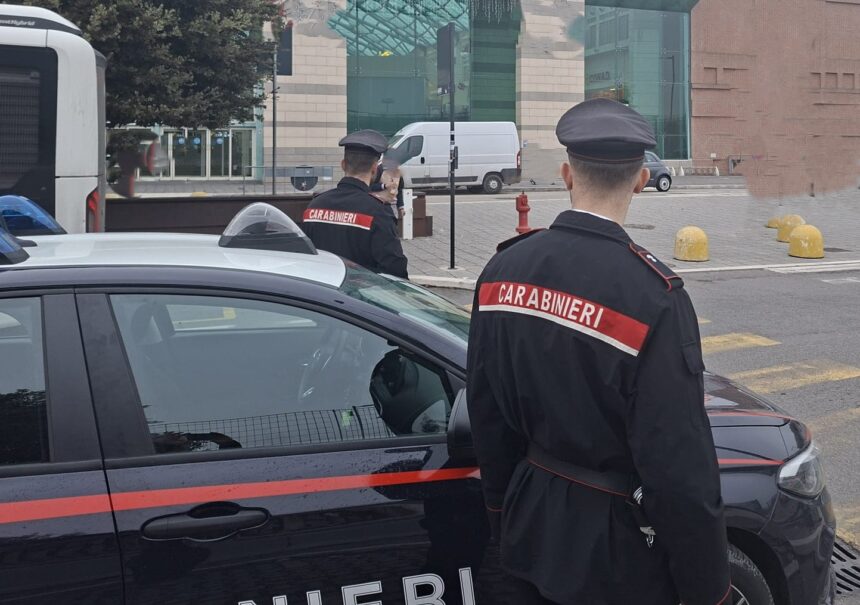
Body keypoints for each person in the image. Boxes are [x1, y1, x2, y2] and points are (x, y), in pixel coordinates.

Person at [466, 98, 731, 605]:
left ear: (567, 175)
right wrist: (709, 591)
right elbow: (678, 470)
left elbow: (486, 413)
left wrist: (502, 512)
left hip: (528, 524)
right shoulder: (654, 297)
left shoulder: (502, 271)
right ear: (641, 181)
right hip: (613, 553)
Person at [302, 130, 408, 278]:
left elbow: (307, 257)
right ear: (374, 169)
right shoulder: (378, 211)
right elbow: (395, 270)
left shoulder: (315, 206)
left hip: (323, 288)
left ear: (343, 165)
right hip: (362, 291)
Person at [370, 158, 403, 223]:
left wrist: (401, 207)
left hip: (393, 205)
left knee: (393, 224)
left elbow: (399, 190)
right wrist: (384, 186)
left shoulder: (398, 172)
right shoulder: (379, 169)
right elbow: (370, 187)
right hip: (380, 204)